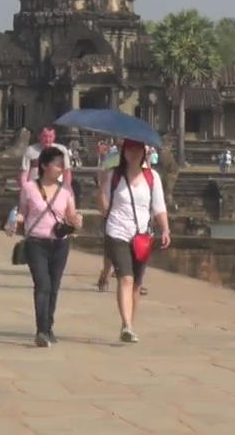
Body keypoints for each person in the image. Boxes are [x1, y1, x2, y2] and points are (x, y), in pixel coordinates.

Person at [6, 146, 82, 347]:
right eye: (57, 164)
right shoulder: (29, 188)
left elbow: (71, 215)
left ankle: (49, 326)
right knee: (43, 285)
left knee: (54, 286)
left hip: (59, 244)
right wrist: (14, 223)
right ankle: (41, 330)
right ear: (44, 165)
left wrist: (76, 220)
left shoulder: (66, 191)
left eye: (62, 165)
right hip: (36, 243)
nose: (60, 168)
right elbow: (22, 211)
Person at [98, 138, 171, 344]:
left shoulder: (152, 177)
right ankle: (127, 325)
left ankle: (129, 323)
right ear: (124, 152)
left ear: (144, 152)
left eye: (137, 149)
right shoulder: (113, 176)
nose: (133, 153)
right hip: (117, 231)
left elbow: (159, 207)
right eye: (129, 149)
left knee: (137, 284)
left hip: (141, 234)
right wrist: (102, 185)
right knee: (126, 278)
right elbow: (103, 207)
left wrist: (165, 228)